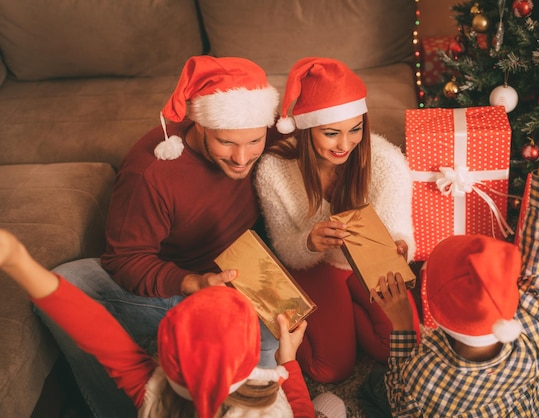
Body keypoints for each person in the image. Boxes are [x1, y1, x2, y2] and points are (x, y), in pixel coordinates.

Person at [35, 55, 282, 417]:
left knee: (269, 335)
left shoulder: (265, 135)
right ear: (199, 123)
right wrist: (191, 282)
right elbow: (124, 259)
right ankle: (122, 409)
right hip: (187, 279)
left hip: (246, 274)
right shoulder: (151, 172)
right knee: (64, 283)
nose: (242, 158)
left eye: (254, 142)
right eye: (226, 143)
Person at [362, 94, 539, 417]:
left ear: (436, 314)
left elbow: (401, 404)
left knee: (375, 386)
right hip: (518, 404)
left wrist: (401, 325)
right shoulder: (532, 333)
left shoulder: (423, 372)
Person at [0, 228, 347, 418]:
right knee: (332, 405)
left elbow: (90, 325)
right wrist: (288, 365)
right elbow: (301, 410)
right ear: (251, 362)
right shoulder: (273, 407)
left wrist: (17, 261)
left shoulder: (151, 392)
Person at [253, 57, 420, 384]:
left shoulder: (386, 162)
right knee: (328, 370)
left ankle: (349, 316)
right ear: (306, 130)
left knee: (401, 347)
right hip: (315, 266)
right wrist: (309, 241)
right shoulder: (273, 170)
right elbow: (286, 251)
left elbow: (400, 229)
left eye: (355, 129)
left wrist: (399, 246)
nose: (345, 144)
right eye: (331, 134)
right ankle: (336, 321)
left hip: (368, 265)